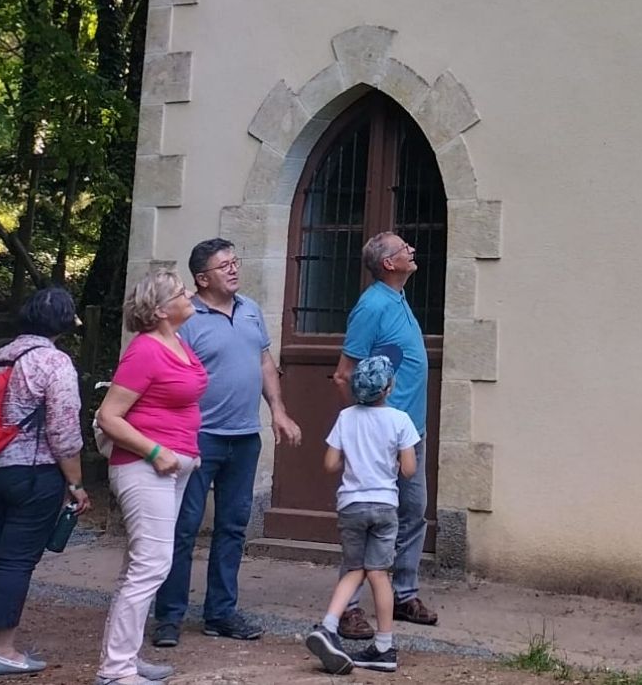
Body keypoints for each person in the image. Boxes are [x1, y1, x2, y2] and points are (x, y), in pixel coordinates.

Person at [150, 238, 303, 648]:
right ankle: (169, 616)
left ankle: (220, 613)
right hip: (196, 438)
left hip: (244, 437)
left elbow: (264, 362)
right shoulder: (186, 318)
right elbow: (167, 375)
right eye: (224, 266)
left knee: (233, 527)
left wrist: (279, 412)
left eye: (236, 262)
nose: (234, 270)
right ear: (202, 279)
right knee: (182, 528)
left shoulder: (251, 310)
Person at [0, 287, 91, 676]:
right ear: (65, 324)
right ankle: (5, 649)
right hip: (31, 474)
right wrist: (77, 484)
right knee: (16, 560)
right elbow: (64, 430)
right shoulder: (54, 363)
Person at [94, 269, 206, 685]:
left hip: (172, 467)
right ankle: (116, 669)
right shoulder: (144, 350)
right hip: (145, 468)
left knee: (139, 565)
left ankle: (123, 657)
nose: (189, 294)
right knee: (151, 566)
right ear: (160, 310)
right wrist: (156, 451)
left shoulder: (174, 342)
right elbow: (109, 416)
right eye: (181, 292)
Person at [330, 233, 436, 632]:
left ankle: (404, 594)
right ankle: (349, 608)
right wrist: (362, 427)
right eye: (404, 247)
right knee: (366, 518)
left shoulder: (398, 298)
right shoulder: (372, 306)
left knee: (412, 511)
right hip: (382, 436)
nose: (412, 249)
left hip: (411, 432)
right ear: (389, 265)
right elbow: (344, 374)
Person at [305, 355, 418, 674]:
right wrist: (395, 459)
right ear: (389, 387)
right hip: (384, 505)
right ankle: (384, 647)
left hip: (351, 505)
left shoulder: (346, 418)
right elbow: (409, 470)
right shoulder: (400, 420)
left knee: (354, 568)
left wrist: (350, 461)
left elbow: (330, 464)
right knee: (379, 574)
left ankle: (328, 626)